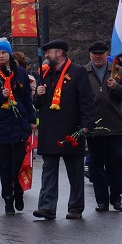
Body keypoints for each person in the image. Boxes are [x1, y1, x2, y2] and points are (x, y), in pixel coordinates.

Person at [33, 40, 96, 220]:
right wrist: (38, 94)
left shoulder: (77, 72)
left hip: (71, 128)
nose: (46, 55)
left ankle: (75, 207)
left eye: (49, 52)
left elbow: (86, 99)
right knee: (49, 168)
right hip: (49, 129)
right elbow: (37, 104)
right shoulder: (45, 73)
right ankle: (46, 207)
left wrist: (87, 124)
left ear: (59, 53)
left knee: (75, 171)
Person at [0, 38, 37, 215]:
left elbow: (27, 99)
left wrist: (32, 120)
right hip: (2, 123)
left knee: (19, 161)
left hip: (20, 122)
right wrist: (1, 95)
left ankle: (19, 191)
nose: (1, 56)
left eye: (4, 53)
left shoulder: (20, 72)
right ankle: (7, 198)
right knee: (5, 164)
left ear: (9, 54)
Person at [85, 42, 122, 212]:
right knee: (96, 164)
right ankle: (102, 200)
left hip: (114, 126)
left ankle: (116, 198)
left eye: (101, 53)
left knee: (116, 162)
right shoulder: (84, 72)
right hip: (93, 127)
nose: (97, 56)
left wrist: (116, 87)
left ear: (107, 54)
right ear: (90, 55)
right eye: (94, 53)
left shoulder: (118, 71)